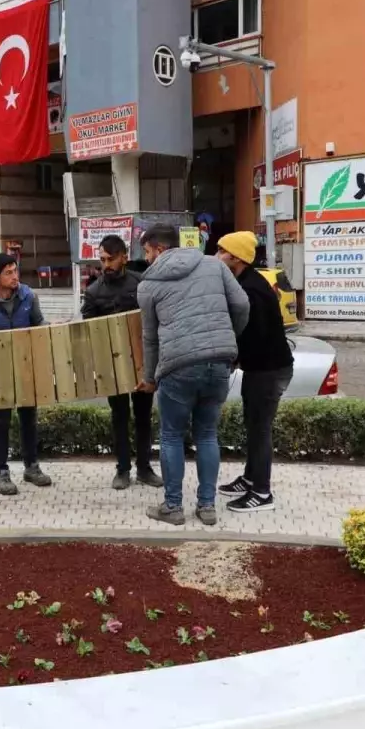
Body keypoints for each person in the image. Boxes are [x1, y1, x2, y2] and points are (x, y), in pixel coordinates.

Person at [135, 224, 248, 527]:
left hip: (177, 365)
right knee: (207, 434)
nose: (146, 259)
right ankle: (207, 506)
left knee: (171, 436)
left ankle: (173, 507)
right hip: (219, 362)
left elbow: (150, 338)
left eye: (147, 252)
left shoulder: (148, 284)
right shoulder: (214, 265)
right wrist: (228, 341)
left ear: (159, 249)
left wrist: (149, 377)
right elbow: (241, 304)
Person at [214, 232, 293, 513]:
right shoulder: (244, 282)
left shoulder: (251, 291)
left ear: (235, 257)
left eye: (221, 251)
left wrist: (232, 357)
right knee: (253, 425)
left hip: (269, 370)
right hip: (261, 368)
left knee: (260, 429)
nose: (216, 256)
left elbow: (254, 336)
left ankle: (261, 492)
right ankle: (250, 478)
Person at [81, 234, 161, 491]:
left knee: (143, 417)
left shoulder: (142, 283)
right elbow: (88, 330)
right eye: (102, 259)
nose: (106, 264)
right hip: (111, 366)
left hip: (141, 363)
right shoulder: (93, 292)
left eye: (111, 259)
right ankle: (123, 469)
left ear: (124, 257)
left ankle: (145, 468)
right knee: (119, 417)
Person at [0, 253, 52, 496]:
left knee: (29, 418)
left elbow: (39, 325)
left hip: (27, 367)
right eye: (8, 273)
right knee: (1, 422)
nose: (15, 276)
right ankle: (1, 472)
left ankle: (31, 467)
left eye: (15, 271)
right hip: (0, 372)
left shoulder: (28, 296)